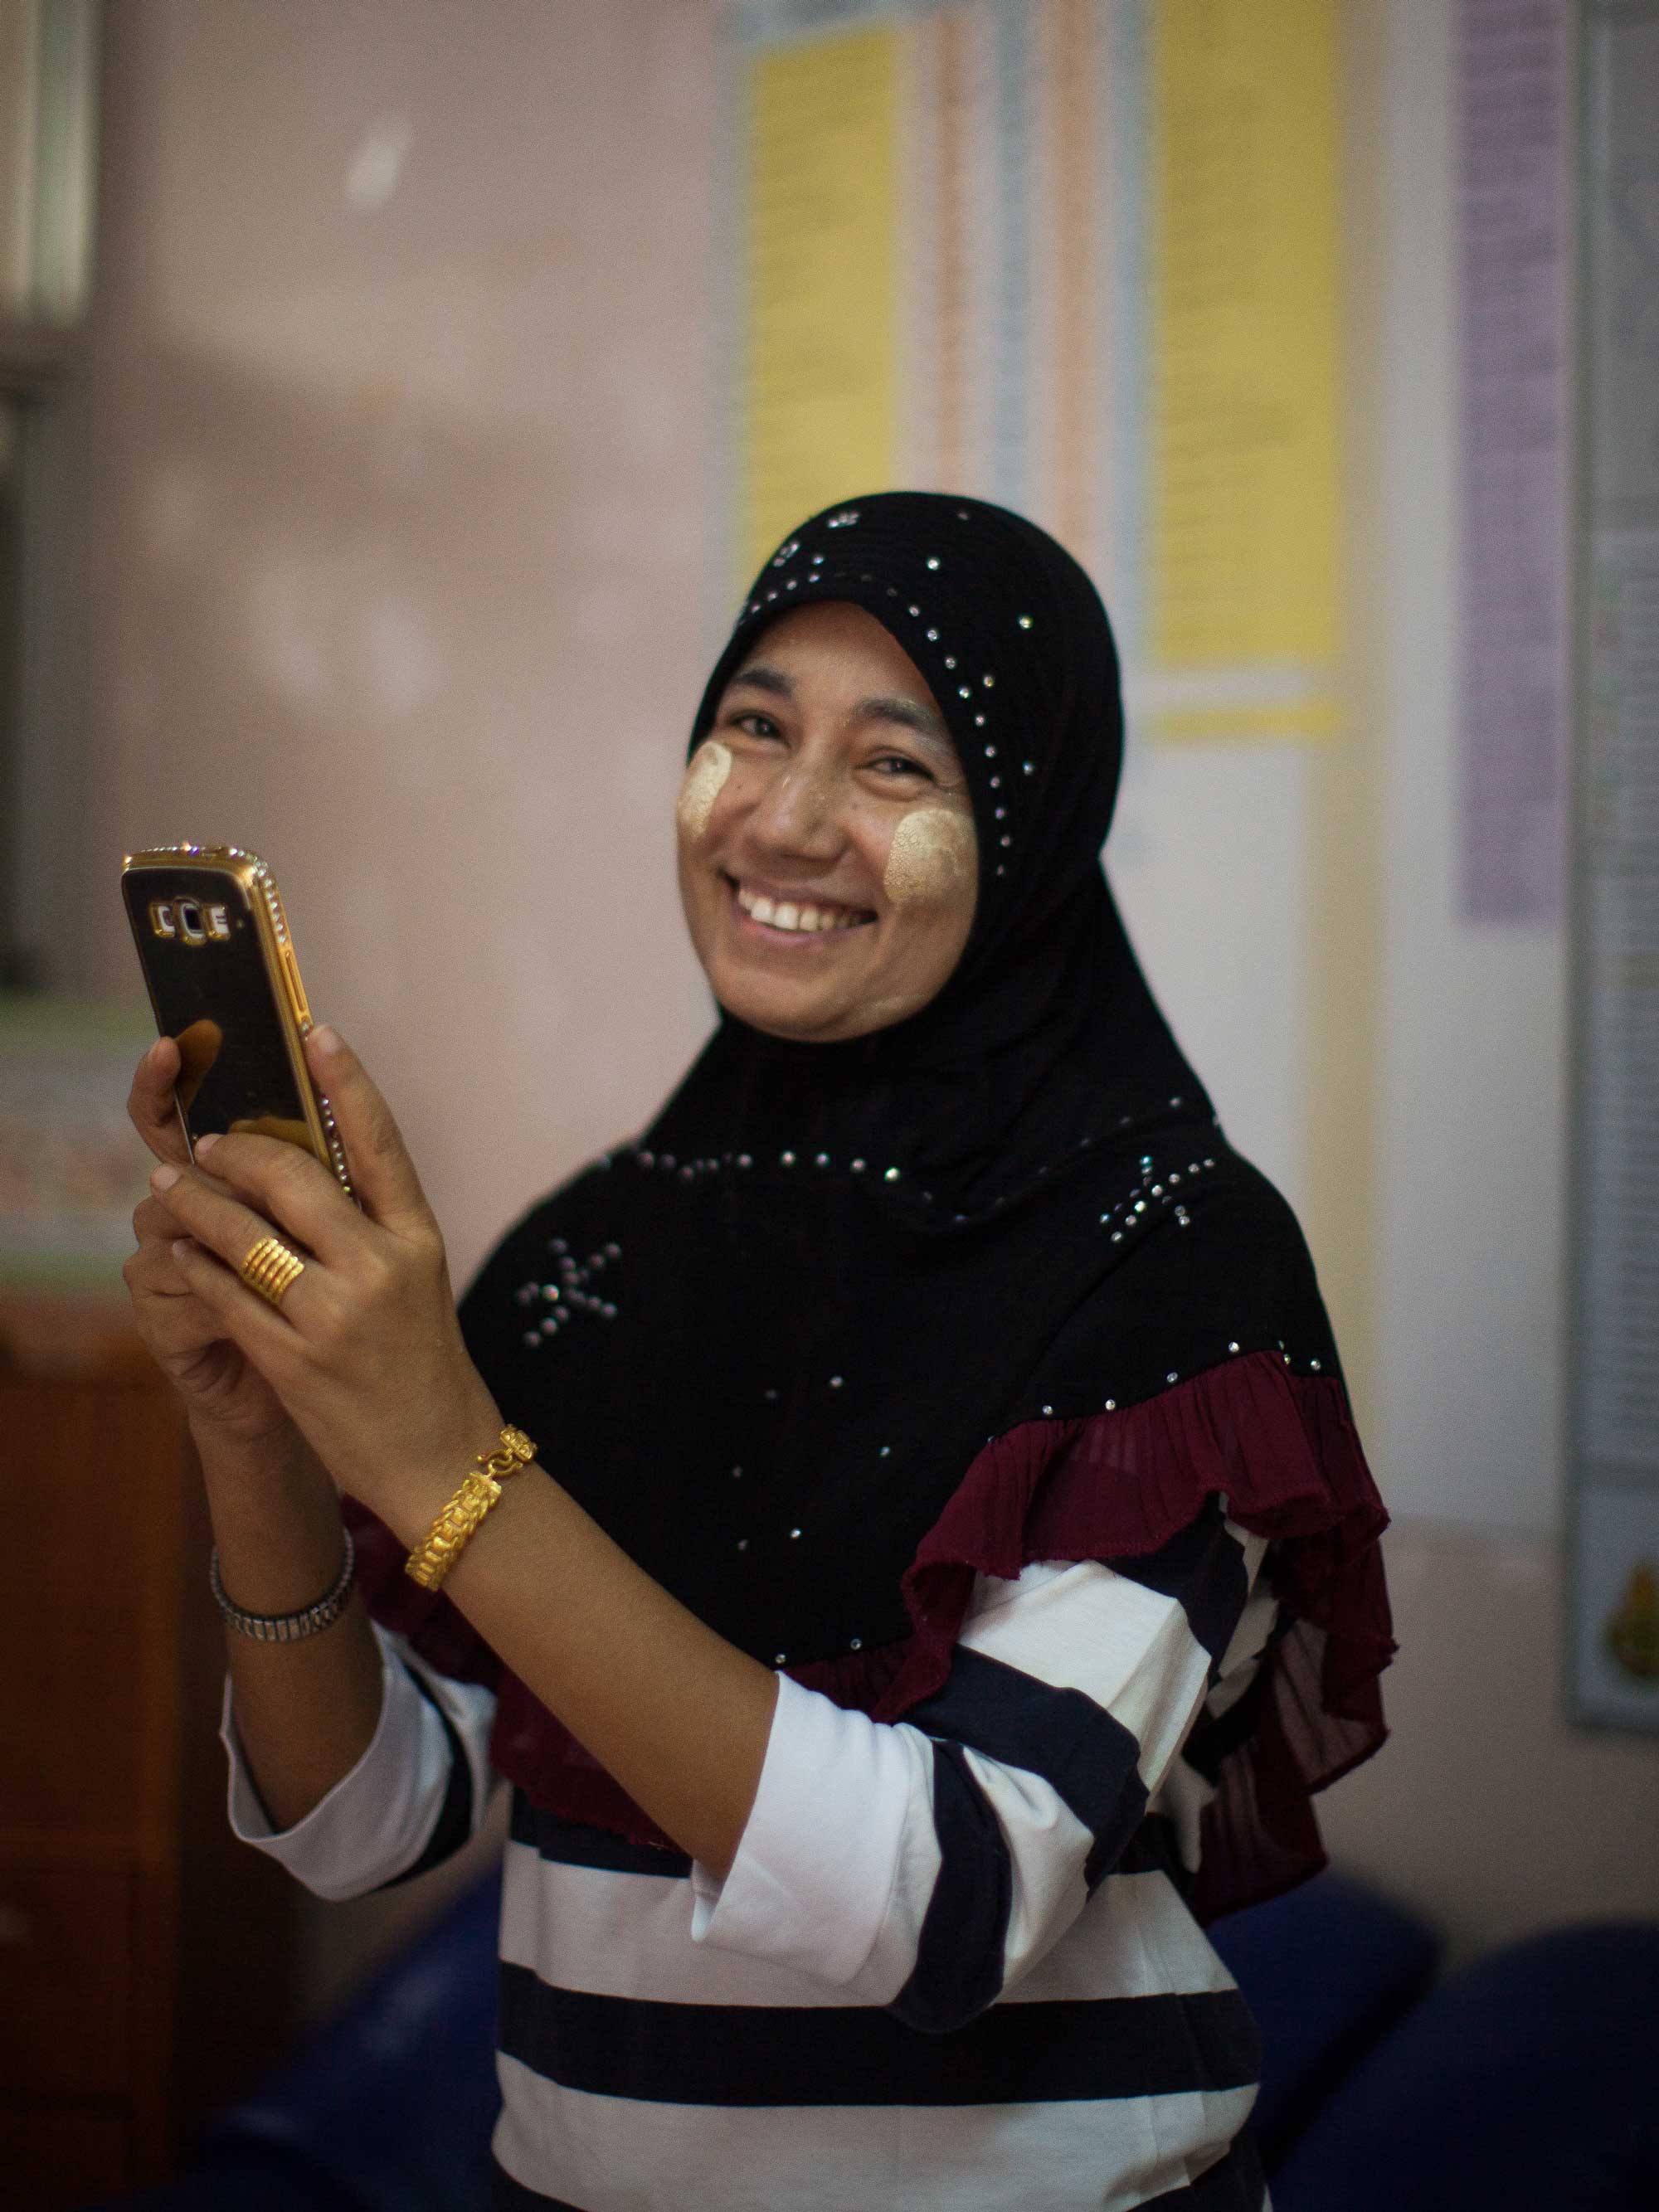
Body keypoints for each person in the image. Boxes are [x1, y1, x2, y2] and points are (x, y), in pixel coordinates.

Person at [123, 492, 1393, 2211]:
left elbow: (951, 1900)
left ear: (1025, 824)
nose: (785, 820)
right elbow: (368, 1820)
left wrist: (441, 1461)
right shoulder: (595, 1249)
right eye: (751, 726)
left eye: (894, 765)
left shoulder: (1167, 1257)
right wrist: (262, 1432)